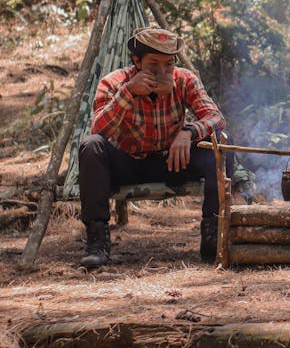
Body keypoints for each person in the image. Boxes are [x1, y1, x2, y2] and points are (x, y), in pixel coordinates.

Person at [78, 26, 229, 268]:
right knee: (91, 146)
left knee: (221, 143)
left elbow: (216, 117)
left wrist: (188, 132)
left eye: (168, 65)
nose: (162, 72)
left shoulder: (184, 79)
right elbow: (99, 129)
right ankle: (97, 243)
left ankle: (213, 236)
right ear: (136, 62)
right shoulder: (114, 82)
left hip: (172, 161)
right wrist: (128, 93)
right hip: (129, 162)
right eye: (153, 65)